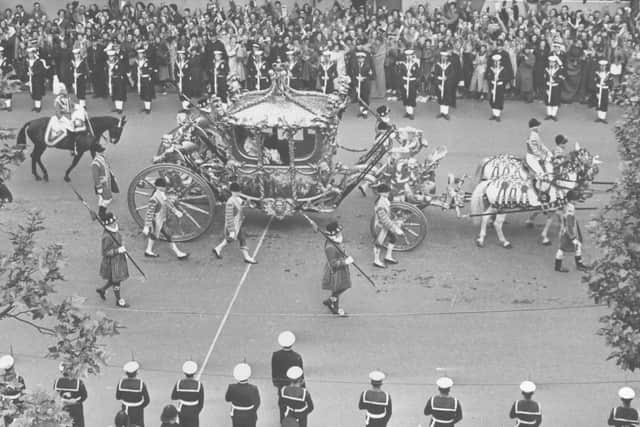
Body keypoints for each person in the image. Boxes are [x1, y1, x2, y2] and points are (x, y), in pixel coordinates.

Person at [142, 177, 189, 260]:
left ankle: (148, 250)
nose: (164, 188)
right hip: (157, 220)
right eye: (163, 187)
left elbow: (168, 203)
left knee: (154, 236)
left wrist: (175, 211)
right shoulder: (154, 198)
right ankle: (178, 253)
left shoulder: (161, 194)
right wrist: (146, 226)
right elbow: (149, 213)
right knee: (168, 236)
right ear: (158, 187)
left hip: (161, 219)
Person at [212, 182, 257, 264]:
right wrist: (232, 231)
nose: (239, 193)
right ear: (233, 192)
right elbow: (229, 217)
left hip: (237, 224)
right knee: (238, 239)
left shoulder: (237, 199)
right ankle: (247, 257)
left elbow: (243, 205)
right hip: (232, 225)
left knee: (239, 239)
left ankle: (218, 248)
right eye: (237, 192)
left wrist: (248, 202)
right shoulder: (230, 202)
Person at [96, 212, 130, 308]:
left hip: (118, 259)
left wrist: (123, 248)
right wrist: (117, 251)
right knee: (116, 280)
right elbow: (105, 252)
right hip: (112, 262)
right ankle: (118, 300)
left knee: (113, 279)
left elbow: (119, 240)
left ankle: (103, 290)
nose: (115, 224)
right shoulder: (106, 237)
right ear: (108, 224)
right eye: (113, 223)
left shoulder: (115, 231)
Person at [321, 220, 353, 316]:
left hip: (342, 269)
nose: (340, 233)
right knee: (339, 287)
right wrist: (345, 262)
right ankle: (334, 306)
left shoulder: (336, 241)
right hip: (336, 271)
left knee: (342, 286)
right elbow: (333, 263)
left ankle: (331, 300)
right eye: (338, 232)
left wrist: (345, 255)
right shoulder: (330, 247)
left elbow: (341, 249)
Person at [271, 331, 304, 413]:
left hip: (281, 384)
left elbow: (274, 371)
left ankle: (283, 420)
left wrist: (276, 383)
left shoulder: (275, 355)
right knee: (294, 405)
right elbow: (301, 374)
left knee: (282, 404)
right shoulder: (297, 356)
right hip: (294, 384)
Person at [373, 184, 404, 268]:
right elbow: (384, 219)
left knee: (393, 239)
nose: (387, 194)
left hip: (386, 226)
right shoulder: (380, 204)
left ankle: (388, 256)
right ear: (380, 193)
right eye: (385, 193)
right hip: (381, 226)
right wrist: (395, 228)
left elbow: (388, 213)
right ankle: (376, 260)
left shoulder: (384, 200)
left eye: (387, 192)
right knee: (378, 243)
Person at [555, 201, 588, 273]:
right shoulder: (569, 216)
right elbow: (569, 227)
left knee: (561, 249)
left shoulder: (564, 214)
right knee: (577, 246)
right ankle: (579, 265)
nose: (573, 210)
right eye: (571, 208)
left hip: (564, 234)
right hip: (568, 236)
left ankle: (558, 266)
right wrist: (573, 239)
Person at [225, 363, 261, 427]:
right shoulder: (253, 388)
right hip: (250, 415)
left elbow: (227, 399)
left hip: (236, 414)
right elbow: (257, 403)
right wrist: (251, 411)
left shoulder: (231, 387)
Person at [115, 361, 150, 427]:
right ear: (136, 372)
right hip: (137, 410)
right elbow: (147, 400)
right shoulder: (141, 384)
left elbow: (118, 397)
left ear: (126, 373)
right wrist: (140, 407)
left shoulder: (121, 382)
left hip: (125, 408)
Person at [91, 137, 118, 220]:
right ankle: (102, 213)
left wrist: (113, 177)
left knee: (102, 199)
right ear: (96, 152)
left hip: (107, 182)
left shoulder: (103, 158)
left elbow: (108, 168)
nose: (103, 152)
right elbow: (95, 177)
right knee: (107, 199)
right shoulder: (95, 163)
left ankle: (101, 213)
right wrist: (99, 188)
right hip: (102, 184)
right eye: (100, 151)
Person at [170, 361, 204, 427]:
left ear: (184, 372)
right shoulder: (199, 385)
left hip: (182, 410)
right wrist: (196, 411)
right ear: (194, 373)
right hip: (194, 410)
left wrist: (182, 396)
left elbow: (173, 397)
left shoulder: (179, 383)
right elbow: (201, 403)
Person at [54, 362, 88, 427]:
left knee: (63, 423)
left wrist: (62, 400)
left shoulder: (57, 382)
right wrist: (76, 400)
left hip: (63, 408)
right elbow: (84, 396)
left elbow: (55, 395)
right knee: (78, 424)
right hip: (76, 408)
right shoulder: (79, 382)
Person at [0, 354, 26, 427]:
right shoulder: (19, 378)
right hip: (17, 401)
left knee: (8, 421)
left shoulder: (1, 380)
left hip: (5, 403)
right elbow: (23, 391)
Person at [432, 51, 456, 120]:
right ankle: (441, 112)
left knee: (447, 97)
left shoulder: (450, 65)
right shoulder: (438, 65)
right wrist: (438, 84)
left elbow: (452, 73)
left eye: (445, 57)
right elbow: (435, 75)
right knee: (440, 97)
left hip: (447, 84)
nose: (444, 58)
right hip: (439, 83)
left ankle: (446, 113)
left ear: (447, 57)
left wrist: (447, 78)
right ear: (441, 57)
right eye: (442, 56)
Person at [25, 44, 48, 112]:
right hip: (31, 79)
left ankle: (38, 107)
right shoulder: (28, 61)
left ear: (33, 53)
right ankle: (35, 106)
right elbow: (25, 69)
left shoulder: (39, 61)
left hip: (38, 80)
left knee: (38, 92)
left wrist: (34, 73)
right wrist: (27, 73)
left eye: (31, 53)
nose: (29, 54)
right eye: (28, 53)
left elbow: (41, 70)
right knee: (33, 92)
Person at [351, 50, 374, 118]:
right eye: (359, 58)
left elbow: (371, 76)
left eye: (362, 58)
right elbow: (353, 75)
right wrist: (356, 83)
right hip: (358, 83)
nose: (360, 59)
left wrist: (364, 78)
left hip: (365, 84)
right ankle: (361, 111)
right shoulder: (355, 66)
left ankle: (365, 112)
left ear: (364, 58)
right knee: (359, 97)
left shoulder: (368, 66)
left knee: (365, 97)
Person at [398, 49, 419, 120]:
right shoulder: (402, 64)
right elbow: (400, 74)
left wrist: (412, 74)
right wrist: (403, 83)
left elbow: (418, 74)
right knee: (405, 97)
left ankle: (411, 113)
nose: (408, 57)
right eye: (407, 56)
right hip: (404, 82)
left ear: (412, 56)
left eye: (410, 56)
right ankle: (407, 112)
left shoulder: (415, 64)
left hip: (412, 82)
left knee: (411, 96)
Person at [106, 47, 127, 114]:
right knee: (114, 93)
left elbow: (122, 71)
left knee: (119, 93)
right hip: (112, 80)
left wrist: (114, 73)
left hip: (119, 80)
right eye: (109, 56)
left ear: (114, 56)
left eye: (112, 56)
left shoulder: (119, 62)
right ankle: (117, 108)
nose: (110, 58)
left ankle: (120, 108)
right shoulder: (108, 63)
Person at [543, 55, 564, 121]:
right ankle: (549, 114)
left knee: (555, 101)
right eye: (550, 62)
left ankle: (553, 115)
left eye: (553, 62)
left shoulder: (559, 69)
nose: (551, 63)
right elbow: (545, 78)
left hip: (555, 87)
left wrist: (554, 80)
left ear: (555, 63)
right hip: (548, 86)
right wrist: (546, 84)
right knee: (548, 100)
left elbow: (561, 79)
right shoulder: (546, 69)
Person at [486, 54, 506, 122]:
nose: (496, 63)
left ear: (500, 62)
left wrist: (499, 79)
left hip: (499, 86)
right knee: (492, 99)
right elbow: (487, 76)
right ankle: (494, 114)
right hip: (492, 85)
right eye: (495, 61)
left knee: (499, 99)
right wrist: (492, 79)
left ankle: (498, 115)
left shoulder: (503, 68)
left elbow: (505, 77)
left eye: (498, 61)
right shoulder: (491, 68)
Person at [135, 48, 156, 114]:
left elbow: (151, 70)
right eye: (138, 54)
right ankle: (146, 107)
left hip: (147, 79)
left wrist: (143, 72)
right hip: (140, 79)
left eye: (141, 54)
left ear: (144, 54)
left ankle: (148, 108)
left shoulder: (148, 61)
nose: (140, 55)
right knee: (143, 93)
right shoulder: (137, 62)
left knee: (148, 93)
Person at [594, 59, 612, 124]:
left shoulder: (609, 74)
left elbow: (611, 82)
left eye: (604, 66)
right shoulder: (597, 73)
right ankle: (599, 117)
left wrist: (606, 84)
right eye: (601, 66)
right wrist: (596, 92)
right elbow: (595, 81)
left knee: (604, 103)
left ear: (606, 66)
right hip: (599, 89)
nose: (602, 67)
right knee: (598, 103)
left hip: (605, 90)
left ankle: (603, 118)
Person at [0, 46, 16, 111]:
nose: (0, 53)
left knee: (8, 92)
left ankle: (9, 106)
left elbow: (11, 69)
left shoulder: (7, 60)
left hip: (6, 78)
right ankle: (3, 105)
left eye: (1, 52)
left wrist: (6, 75)